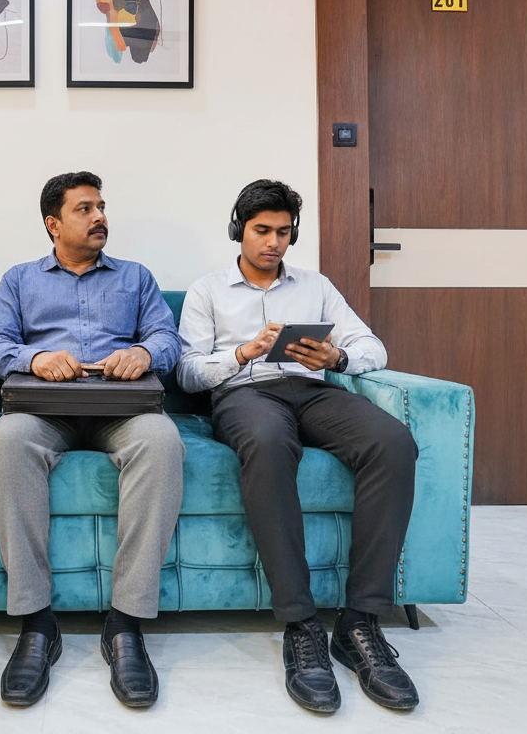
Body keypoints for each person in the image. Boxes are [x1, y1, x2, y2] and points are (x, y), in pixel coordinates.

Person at [177, 180, 420, 713]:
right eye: (262, 230)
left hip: (312, 389)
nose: (273, 243)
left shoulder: (316, 285)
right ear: (238, 229)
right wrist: (244, 353)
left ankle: (361, 624)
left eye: (283, 233)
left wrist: (333, 359)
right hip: (245, 394)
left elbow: (371, 346)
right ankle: (300, 623)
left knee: (393, 441)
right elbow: (190, 373)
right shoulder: (207, 291)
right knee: (266, 442)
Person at [0, 171, 184, 709]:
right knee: (9, 440)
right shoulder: (19, 280)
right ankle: (36, 623)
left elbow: (167, 337)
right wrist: (34, 358)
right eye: (84, 209)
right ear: (54, 224)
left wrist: (144, 353)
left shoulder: (135, 277)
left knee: (163, 443)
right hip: (47, 408)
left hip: (122, 407)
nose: (99, 217)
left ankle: (126, 623)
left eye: (101, 207)